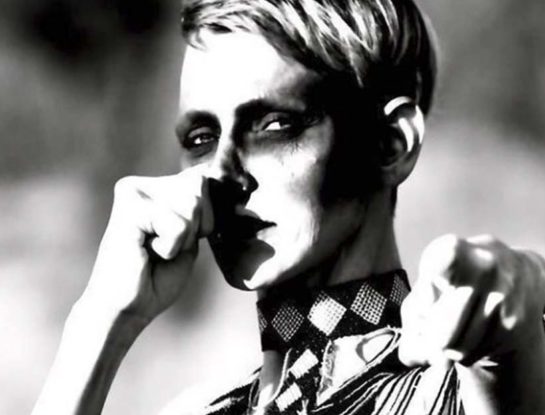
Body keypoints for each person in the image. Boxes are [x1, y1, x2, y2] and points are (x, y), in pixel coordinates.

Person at [33, 0, 545, 414]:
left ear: (391, 143)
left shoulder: (454, 391)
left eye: (275, 125)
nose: (222, 173)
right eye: (202, 136)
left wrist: (518, 305)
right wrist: (99, 322)